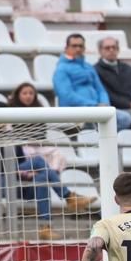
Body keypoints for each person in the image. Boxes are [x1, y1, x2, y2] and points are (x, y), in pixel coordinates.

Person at [6, 82, 95, 240]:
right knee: (40, 161)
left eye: (31, 93)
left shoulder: (39, 116)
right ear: (17, 96)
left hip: (30, 177)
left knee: (43, 178)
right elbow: (7, 163)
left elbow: (41, 143)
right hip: (10, 177)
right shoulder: (8, 125)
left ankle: (45, 228)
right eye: (24, 93)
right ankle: (69, 197)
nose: (28, 96)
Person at [52, 33, 131, 130]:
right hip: (76, 111)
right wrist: (94, 105)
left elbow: (100, 89)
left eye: (80, 46)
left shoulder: (89, 67)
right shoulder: (61, 69)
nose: (78, 49)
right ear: (66, 48)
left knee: (126, 118)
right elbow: (67, 96)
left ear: (84, 48)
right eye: (74, 46)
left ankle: (105, 140)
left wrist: (104, 104)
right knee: (90, 125)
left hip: (97, 109)